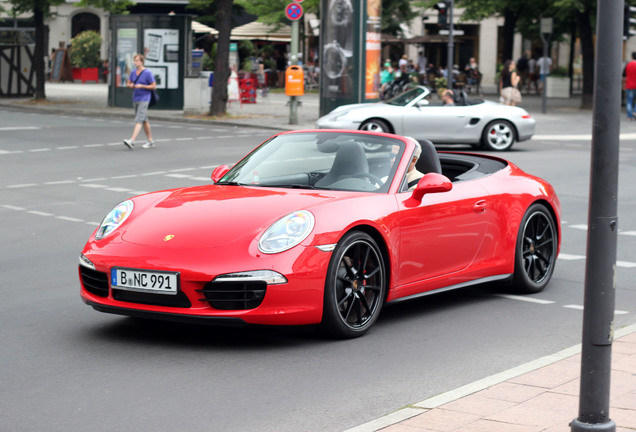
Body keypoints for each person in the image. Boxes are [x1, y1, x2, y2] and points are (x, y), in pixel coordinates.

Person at [123, 53, 156, 150]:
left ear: (141, 62)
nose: (135, 62)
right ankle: (150, 141)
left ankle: (132, 141)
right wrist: (131, 85)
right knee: (144, 120)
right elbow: (128, 83)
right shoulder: (133, 72)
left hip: (145, 98)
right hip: (136, 98)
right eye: (134, 60)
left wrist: (142, 86)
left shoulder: (147, 73)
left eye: (137, 60)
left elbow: (153, 86)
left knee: (139, 119)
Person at [624, 52, 636, 120]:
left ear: (632, 57)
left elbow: (624, 75)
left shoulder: (628, 64)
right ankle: (635, 112)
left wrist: (624, 84)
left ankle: (629, 116)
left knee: (629, 101)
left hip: (629, 85)